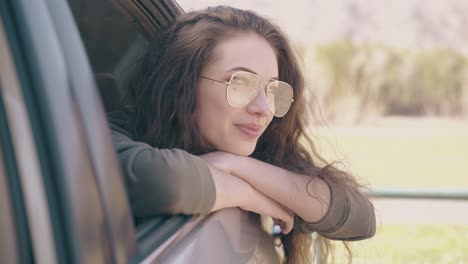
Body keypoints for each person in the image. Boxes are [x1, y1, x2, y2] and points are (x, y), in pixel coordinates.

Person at [109, 5, 375, 263]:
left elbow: (360, 219)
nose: (262, 109)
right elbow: (157, 180)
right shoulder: (110, 133)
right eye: (240, 82)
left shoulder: (255, 148)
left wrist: (237, 165)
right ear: (182, 85)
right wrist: (249, 196)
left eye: (272, 90)